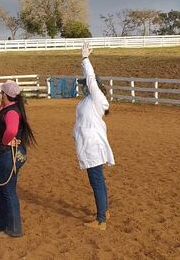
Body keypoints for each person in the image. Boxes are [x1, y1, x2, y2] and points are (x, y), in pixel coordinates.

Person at [0, 80, 36, 238]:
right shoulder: (8, 109)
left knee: (7, 190)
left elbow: (10, 130)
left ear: (6, 95)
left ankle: (13, 228)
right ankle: (2, 224)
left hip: (9, 155)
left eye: (1, 93)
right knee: (1, 188)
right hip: (10, 155)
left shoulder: (11, 112)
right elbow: (1, 128)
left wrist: (5, 141)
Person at [73, 42, 115, 231]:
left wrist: (84, 59)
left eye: (86, 85)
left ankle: (101, 220)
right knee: (98, 180)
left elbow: (90, 78)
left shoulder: (96, 97)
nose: (83, 87)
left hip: (92, 145)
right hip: (88, 145)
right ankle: (104, 212)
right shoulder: (88, 101)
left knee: (96, 181)